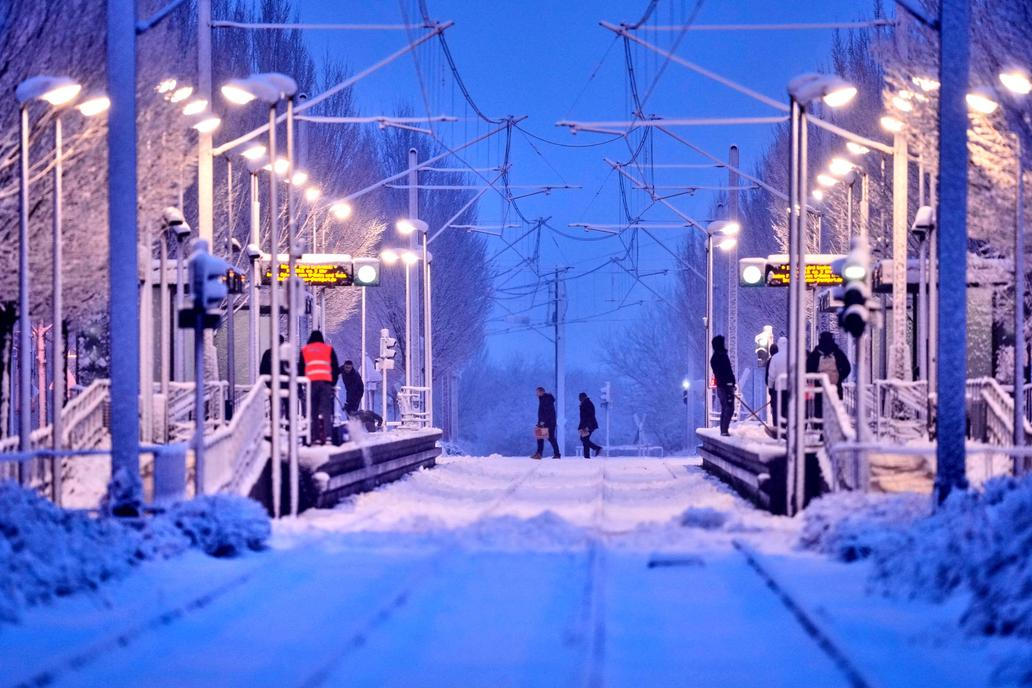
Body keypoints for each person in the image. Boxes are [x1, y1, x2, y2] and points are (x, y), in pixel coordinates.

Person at [299, 330, 340, 446]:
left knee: (313, 411)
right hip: (325, 382)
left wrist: (302, 384)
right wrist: (332, 384)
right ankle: (328, 437)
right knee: (326, 410)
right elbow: (335, 369)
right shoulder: (328, 349)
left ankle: (315, 437)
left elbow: (301, 368)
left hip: (311, 383)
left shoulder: (305, 350)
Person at [806, 331, 851, 399]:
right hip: (835, 388)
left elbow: (808, 370)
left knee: (819, 408)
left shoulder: (815, 354)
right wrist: (839, 378)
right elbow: (847, 368)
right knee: (835, 407)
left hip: (819, 390)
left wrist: (815, 381)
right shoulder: (838, 353)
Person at [710, 335, 736, 437]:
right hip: (726, 386)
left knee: (725, 408)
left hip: (721, 386)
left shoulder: (714, 358)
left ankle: (723, 429)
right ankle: (724, 430)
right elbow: (727, 371)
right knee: (729, 408)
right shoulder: (722, 356)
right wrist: (731, 383)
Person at [531, 386, 561, 460]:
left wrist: (542, 421)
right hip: (547, 422)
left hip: (547, 422)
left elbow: (547, 412)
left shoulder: (546, 399)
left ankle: (540, 454)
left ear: (541, 392)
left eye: (537, 392)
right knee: (545, 437)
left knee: (546, 437)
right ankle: (540, 454)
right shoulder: (544, 399)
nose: (536, 394)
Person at [767, 336, 789, 433]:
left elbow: (771, 375)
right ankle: (789, 428)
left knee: (778, 410)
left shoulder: (775, 358)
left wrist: (770, 387)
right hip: (791, 388)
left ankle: (779, 430)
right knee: (788, 410)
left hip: (778, 388)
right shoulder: (794, 356)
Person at [577, 392, 603, 458]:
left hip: (588, 425)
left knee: (584, 439)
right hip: (589, 424)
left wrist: (584, 426)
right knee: (585, 439)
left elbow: (585, 416)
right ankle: (587, 456)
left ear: (582, 397)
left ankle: (597, 448)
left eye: (580, 398)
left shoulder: (585, 404)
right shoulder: (587, 403)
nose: (579, 399)